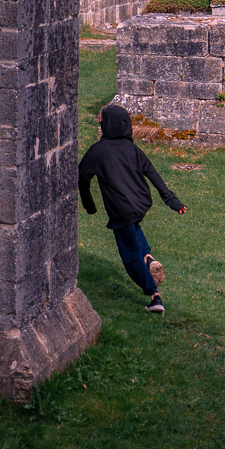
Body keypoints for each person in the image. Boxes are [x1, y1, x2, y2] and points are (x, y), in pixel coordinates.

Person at [78, 104, 185, 315]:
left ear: (107, 126)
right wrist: (172, 201)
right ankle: (149, 258)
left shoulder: (97, 151)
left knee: (130, 255)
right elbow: (153, 174)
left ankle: (154, 296)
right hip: (140, 204)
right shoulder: (133, 149)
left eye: (101, 122)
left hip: (120, 209)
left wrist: (90, 206)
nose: (99, 125)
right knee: (134, 229)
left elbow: (82, 178)